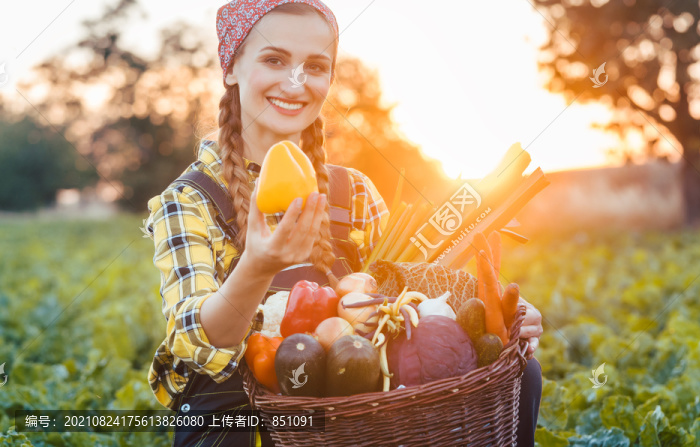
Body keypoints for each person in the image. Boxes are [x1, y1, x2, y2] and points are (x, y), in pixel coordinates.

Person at [141, 1, 544, 445]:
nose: (295, 82)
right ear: (231, 68)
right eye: (274, 59)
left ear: (330, 79)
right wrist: (256, 266)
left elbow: (415, 303)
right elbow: (199, 342)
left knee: (526, 372)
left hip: (350, 411)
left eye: (315, 66)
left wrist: (496, 322)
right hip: (238, 414)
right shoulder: (191, 200)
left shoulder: (352, 193)